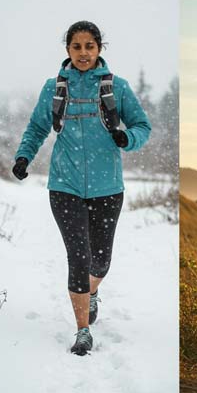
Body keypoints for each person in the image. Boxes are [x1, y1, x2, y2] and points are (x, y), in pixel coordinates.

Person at [12, 21, 151, 356]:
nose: (83, 53)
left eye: (90, 46)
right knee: (78, 256)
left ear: (99, 48)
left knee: (100, 261)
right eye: (77, 47)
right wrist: (23, 156)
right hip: (64, 185)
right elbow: (37, 126)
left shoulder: (117, 87)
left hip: (108, 187)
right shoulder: (54, 87)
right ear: (68, 50)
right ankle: (82, 330)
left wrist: (127, 138)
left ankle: (92, 291)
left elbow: (142, 126)